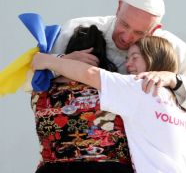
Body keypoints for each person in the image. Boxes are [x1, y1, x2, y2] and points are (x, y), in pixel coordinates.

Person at [50, 0, 186, 124]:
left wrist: (173, 79)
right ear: (118, 7)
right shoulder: (78, 28)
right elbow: (29, 81)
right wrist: (61, 63)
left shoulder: (172, 47)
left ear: (155, 30)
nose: (126, 37)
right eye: (124, 24)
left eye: (139, 33)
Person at [32, 36, 186, 173]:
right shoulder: (185, 107)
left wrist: (50, 61)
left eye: (135, 57)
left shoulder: (139, 88)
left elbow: (89, 74)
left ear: (154, 57)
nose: (127, 65)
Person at [31, 25, 134, 173]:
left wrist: (61, 60)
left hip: (53, 168)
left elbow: (32, 67)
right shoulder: (115, 86)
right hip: (109, 167)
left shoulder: (40, 92)